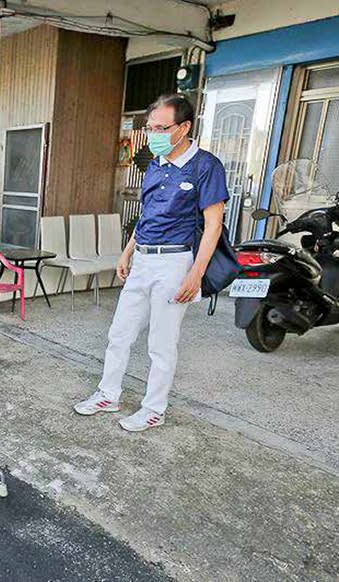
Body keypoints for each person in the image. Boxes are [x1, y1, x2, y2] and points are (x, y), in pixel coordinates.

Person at [74, 94, 228, 432]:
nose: (153, 133)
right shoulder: (155, 162)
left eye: (161, 127)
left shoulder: (206, 166)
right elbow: (148, 213)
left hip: (175, 262)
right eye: (150, 127)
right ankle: (107, 394)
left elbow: (213, 226)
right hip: (143, 258)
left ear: (185, 127)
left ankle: (154, 408)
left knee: (161, 342)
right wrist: (128, 251)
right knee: (120, 333)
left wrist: (195, 274)